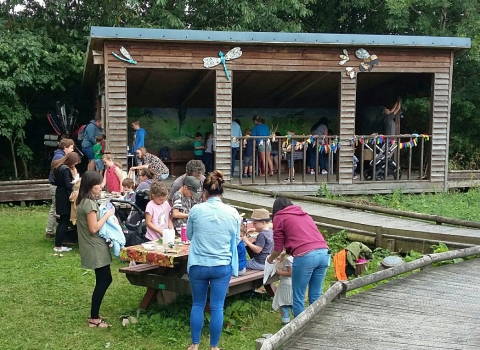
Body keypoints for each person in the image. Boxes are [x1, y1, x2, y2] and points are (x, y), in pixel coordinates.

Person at [186, 170, 241, 350]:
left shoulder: (195, 210)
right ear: (222, 191)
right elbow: (237, 239)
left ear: (205, 192)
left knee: (198, 303)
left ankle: (195, 344)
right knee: (217, 306)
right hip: (221, 265)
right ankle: (214, 347)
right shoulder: (233, 213)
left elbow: (189, 235)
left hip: (198, 264)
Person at [267, 197, 330, 318]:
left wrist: (270, 259)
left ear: (276, 209)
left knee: (298, 296)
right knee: (316, 293)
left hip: (306, 256)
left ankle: (300, 330)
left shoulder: (279, 217)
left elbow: (278, 248)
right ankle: (316, 323)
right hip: (324, 252)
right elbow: (303, 237)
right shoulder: (303, 214)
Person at [75, 171, 115, 328]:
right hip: (95, 247)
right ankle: (94, 319)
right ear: (91, 186)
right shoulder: (90, 204)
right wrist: (108, 214)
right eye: (98, 183)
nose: (101, 185)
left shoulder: (83, 201)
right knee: (103, 281)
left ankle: (95, 313)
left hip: (94, 246)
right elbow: (94, 228)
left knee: (105, 279)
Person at [51, 152, 80, 252]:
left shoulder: (57, 166)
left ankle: (58, 244)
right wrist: (75, 181)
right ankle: (58, 246)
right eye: (75, 162)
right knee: (64, 221)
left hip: (59, 192)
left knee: (62, 221)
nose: (75, 165)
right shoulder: (66, 169)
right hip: (64, 195)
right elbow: (68, 185)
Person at [46, 138, 74, 239]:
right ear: (65, 148)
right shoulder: (59, 156)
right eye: (71, 148)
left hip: (56, 186)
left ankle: (57, 230)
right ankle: (50, 231)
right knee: (55, 209)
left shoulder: (61, 155)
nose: (72, 150)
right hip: (56, 187)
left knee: (55, 209)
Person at [272, 252, 294, 325]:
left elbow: (289, 273)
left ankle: (286, 321)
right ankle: (298, 319)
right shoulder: (299, 257)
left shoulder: (289, 259)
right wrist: (282, 256)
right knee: (293, 303)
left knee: (283, 304)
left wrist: (278, 271)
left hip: (286, 284)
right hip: (295, 283)